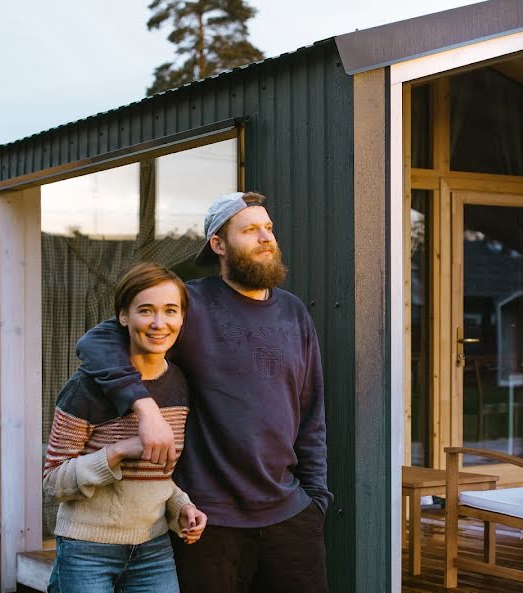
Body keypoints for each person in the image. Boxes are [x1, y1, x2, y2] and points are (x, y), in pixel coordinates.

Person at [76, 191, 332, 593]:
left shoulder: (293, 312)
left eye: (268, 228)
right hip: (208, 521)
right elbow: (96, 342)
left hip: (290, 516)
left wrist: (316, 501)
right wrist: (145, 408)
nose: (266, 237)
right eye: (249, 230)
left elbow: (311, 414)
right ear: (219, 244)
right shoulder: (188, 304)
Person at [43, 262, 207, 593]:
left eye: (170, 311)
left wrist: (182, 507)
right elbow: (52, 482)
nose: (159, 323)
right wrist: (118, 451)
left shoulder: (179, 383)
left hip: (153, 549)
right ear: (123, 316)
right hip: (86, 549)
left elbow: (159, 478)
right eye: (146, 310)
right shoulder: (85, 387)